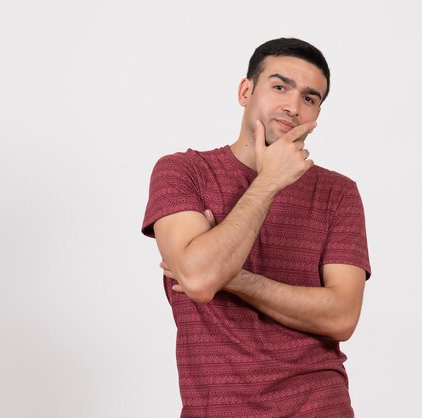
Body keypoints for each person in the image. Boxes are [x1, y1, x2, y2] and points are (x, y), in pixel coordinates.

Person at [142, 37, 371, 417]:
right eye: (279, 87)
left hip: (319, 407)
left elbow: (342, 317)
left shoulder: (338, 193)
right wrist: (269, 182)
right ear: (245, 91)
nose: (293, 107)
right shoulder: (183, 172)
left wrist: (230, 275)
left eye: (310, 98)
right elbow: (199, 280)